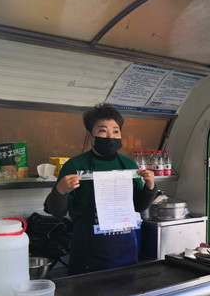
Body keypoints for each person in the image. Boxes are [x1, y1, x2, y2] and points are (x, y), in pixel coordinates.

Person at [44, 104, 157, 275]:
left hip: (125, 252)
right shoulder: (75, 165)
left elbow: (139, 206)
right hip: (88, 254)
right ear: (90, 135)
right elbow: (57, 212)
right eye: (103, 131)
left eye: (116, 131)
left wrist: (150, 187)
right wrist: (59, 191)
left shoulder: (129, 165)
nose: (110, 136)